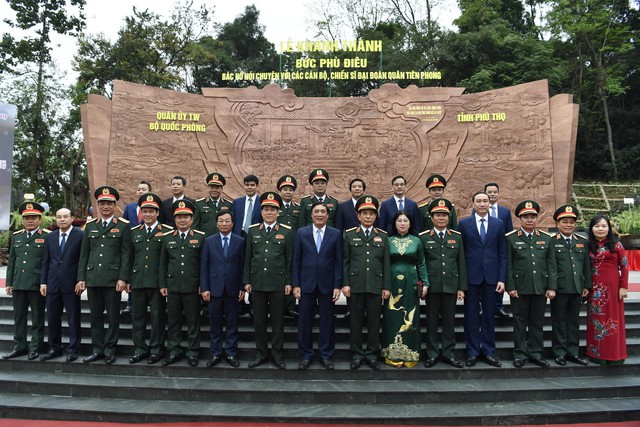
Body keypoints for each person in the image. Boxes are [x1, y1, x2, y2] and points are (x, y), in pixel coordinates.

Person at [77, 186, 131, 364]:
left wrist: (123, 278)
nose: (105, 207)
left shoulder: (123, 226)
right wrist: (81, 278)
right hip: (93, 278)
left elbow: (126, 254)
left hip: (112, 279)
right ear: (98, 205)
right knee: (95, 316)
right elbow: (84, 254)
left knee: (113, 317)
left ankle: (110, 349)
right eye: (102, 204)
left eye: (109, 204)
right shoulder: (91, 226)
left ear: (115, 206)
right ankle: (98, 349)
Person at [243, 192, 293, 369]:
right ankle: (261, 354)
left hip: (278, 283)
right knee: (259, 321)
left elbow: (289, 259)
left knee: (278, 322)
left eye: (272, 209)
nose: (269, 213)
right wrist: (246, 280)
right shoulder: (253, 230)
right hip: (257, 282)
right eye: (266, 209)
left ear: (278, 212)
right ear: (261, 212)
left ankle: (277, 355)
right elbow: (248, 258)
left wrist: (288, 282)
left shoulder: (286, 232)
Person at [505, 200, 557, 368]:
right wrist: (510, 286)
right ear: (520, 219)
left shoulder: (546, 239)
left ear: (537, 218)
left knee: (537, 322)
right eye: (526, 217)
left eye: (533, 216)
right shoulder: (511, 238)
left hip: (540, 288)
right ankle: (520, 353)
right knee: (519, 322)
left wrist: (551, 287)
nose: (529, 220)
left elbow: (551, 264)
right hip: (520, 288)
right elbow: (509, 265)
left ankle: (535, 352)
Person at [458, 191, 506, 368]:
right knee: (470, 316)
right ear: (473, 204)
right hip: (471, 276)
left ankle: (488, 351)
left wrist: (502, 278)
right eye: (478, 201)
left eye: (485, 201)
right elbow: (460, 255)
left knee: (489, 316)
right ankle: (472, 351)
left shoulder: (498, 224)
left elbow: (502, 253)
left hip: (492, 277)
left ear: (489, 203)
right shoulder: (463, 224)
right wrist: (461, 282)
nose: (482, 204)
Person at [293, 202, 343, 370]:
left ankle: (326, 355)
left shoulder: (335, 234)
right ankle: (306, 354)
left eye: (323, 211)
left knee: (327, 322)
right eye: (317, 211)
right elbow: (296, 260)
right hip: (306, 284)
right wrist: (296, 284)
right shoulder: (301, 233)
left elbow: (338, 262)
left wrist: (337, 285)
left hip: (327, 285)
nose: (320, 214)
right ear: (311, 215)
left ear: (328, 215)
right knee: (304, 321)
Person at [343, 195, 390, 370]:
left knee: (374, 323)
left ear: (376, 215)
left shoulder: (383, 236)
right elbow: (345, 261)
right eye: (364, 213)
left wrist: (386, 286)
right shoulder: (349, 235)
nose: (368, 216)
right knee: (355, 323)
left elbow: (386, 263)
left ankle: (371, 354)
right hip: (355, 286)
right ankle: (356, 354)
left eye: (371, 213)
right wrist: (345, 283)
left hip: (376, 286)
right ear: (358, 216)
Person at [419, 198, 467, 369]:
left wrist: (461, 287)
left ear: (449, 218)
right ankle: (432, 354)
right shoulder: (424, 237)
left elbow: (461, 263)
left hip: (450, 285)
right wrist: (422, 286)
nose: (441, 218)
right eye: (438, 215)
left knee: (449, 321)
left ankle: (448, 353)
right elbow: (421, 263)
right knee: (431, 322)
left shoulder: (457, 237)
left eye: (444, 215)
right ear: (431, 218)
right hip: (432, 286)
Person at [128, 193, 173, 364]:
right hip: (138, 281)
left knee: (157, 317)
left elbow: (168, 260)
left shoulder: (167, 232)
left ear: (157, 212)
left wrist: (165, 282)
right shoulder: (134, 232)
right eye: (145, 211)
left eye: (151, 211)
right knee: (137, 317)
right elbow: (130, 258)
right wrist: (128, 280)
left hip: (157, 282)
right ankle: (140, 349)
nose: (148, 214)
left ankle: (156, 349)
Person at [159, 199, 205, 367]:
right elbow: (163, 263)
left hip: (192, 287)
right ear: (174, 219)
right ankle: (174, 350)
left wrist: (203, 285)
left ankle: (193, 352)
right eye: (179, 217)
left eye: (186, 217)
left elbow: (203, 264)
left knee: (193, 321)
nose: (182, 220)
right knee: (173, 321)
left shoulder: (200, 238)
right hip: (172, 287)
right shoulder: (167, 237)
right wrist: (163, 284)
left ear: (192, 219)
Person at [380, 211, 429, 368]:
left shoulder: (417, 241)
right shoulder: (387, 241)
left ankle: (410, 353)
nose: (402, 223)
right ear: (394, 223)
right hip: (391, 282)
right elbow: (383, 263)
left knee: (410, 316)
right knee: (392, 315)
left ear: (410, 223)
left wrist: (425, 282)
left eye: (405, 220)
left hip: (411, 282)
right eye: (399, 220)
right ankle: (391, 353)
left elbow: (421, 263)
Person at [2, 202, 48, 361]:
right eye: (27, 218)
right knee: (19, 317)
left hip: (36, 284)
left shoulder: (46, 236)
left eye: (33, 217)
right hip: (19, 283)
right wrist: (9, 282)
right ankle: (20, 346)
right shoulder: (17, 236)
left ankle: (35, 346)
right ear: (22, 219)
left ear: (39, 219)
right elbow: (12, 261)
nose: (30, 221)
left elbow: (46, 262)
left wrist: (44, 282)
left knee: (37, 318)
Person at [201, 211, 245, 368]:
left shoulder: (240, 241)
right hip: (214, 289)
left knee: (232, 323)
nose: (224, 224)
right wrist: (204, 288)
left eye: (227, 221)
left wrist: (242, 287)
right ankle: (215, 353)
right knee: (215, 323)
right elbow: (204, 266)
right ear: (217, 223)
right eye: (221, 221)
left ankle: (231, 353)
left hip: (233, 289)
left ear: (233, 223)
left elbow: (242, 266)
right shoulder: (209, 241)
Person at [39, 208, 83, 362]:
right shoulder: (50, 237)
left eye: (65, 217)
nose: (62, 219)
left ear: (72, 218)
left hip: (72, 284)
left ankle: (73, 348)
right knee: (52, 318)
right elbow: (46, 261)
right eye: (59, 217)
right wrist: (43, 282)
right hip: (52, 284)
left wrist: (81, 279)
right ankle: (55, 348)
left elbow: (82, 260)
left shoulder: (80, 235)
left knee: (73, 318)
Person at [550, 204, 590, 366]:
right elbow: (551, 266)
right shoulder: (552, 241)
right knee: (559, 320)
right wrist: (551, 286)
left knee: (573, 321)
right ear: (557, 224)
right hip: (560, 288)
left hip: (577, 287)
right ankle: (559, 351)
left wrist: (586, 285)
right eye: (564, 221)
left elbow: (586, 265)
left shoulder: (582, 241)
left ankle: (573, 351)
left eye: (571, 222)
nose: (568, 225)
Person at [586, 214, 628, 365]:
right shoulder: (588, 245)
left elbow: (624, 266)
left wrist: (624, 286)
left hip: (613, 288)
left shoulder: (616, 245)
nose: (600, 229)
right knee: (595, 319)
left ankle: (614, 354)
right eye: (597, 226)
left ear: (609, 228)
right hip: (594, 288)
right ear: (591, 228)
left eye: (604, 226)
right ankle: (596, 354)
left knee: (613, 320)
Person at [121, 180, 152, 315]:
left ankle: (149, 304)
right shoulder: (130, 207)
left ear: (149, 192)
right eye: (139, 189)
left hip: (148, 245)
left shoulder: (155, 208)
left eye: (143, 189)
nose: (140, 191)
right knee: (132, 276)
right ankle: (130, 304)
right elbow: (124, 224)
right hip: (132, 244)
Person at [484, 182, 513, 319]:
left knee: (500, 279)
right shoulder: (480, 209)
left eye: (495, 192)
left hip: (500, 249)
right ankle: (483, 306)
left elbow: (509, 232)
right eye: (489, 192)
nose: (492, 194)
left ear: (498, 193)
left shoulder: (505, 212)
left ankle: (499, 307)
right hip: (485, 250)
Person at [277, 174, 301, 318]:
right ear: (280, 191)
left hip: (293, 246)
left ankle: (291, 306)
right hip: (278, 246)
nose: (287, 192)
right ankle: (279, 306)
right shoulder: (274, 208)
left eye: (290, 190)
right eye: (285, 189)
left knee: (292, 273)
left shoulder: (298, 208)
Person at [193, 172, 233, 237]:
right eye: (212, 187)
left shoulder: (229, 205)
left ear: (222, 189)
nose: (214, 190)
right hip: (205, 241)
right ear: (208, 188)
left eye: (217, 188)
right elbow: (195, 226)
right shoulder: (199, 204)